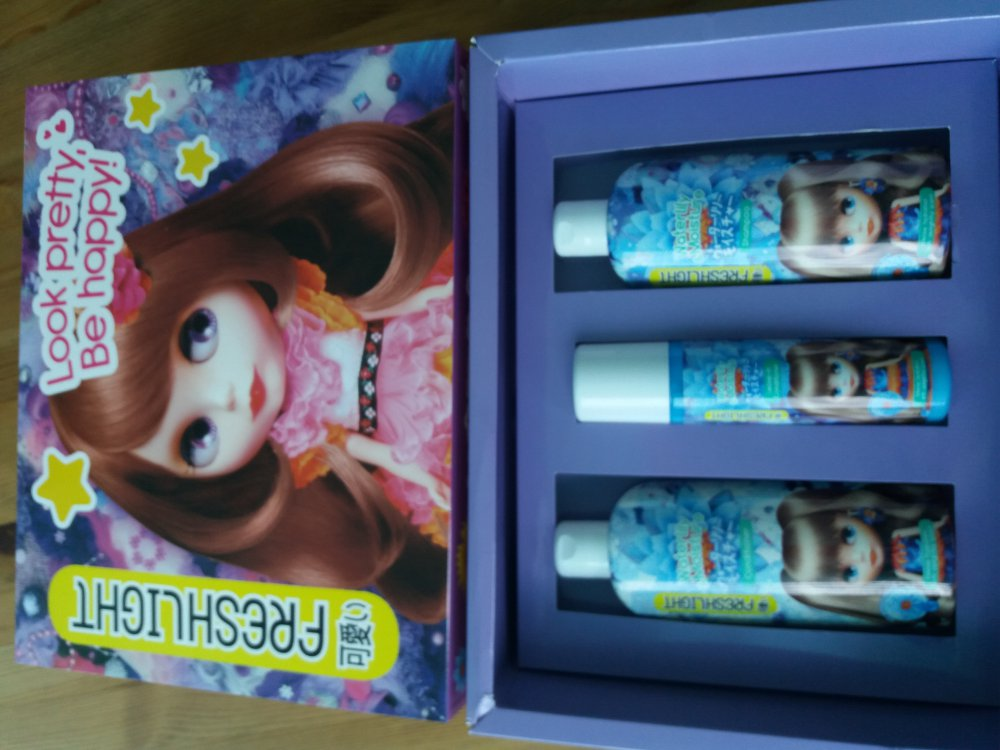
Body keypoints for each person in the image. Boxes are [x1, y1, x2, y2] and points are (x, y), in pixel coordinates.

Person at [48, 105, 455, 624]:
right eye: (199, 437)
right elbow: (351, 446)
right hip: (409, 428)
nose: (228, 396)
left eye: (199, 334)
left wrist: (424, 299)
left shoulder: (310, 310)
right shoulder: (297, 437)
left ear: (201, 268)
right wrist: (410, 468)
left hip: (413, 341)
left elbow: (368, 310)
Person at [778, 485, 955, 627]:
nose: (860, 556)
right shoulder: (896, 591)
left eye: (848, 535)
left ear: (848, 513)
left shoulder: (899, 520)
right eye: (850, 573)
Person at [777, 152, 950, 278]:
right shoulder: (889, 259)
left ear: (844, 184)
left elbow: (938, 169)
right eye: (846, 241)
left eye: (848, 205)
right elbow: (932, 265)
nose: (858, 226)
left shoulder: (897, 181)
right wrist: (936, 264)